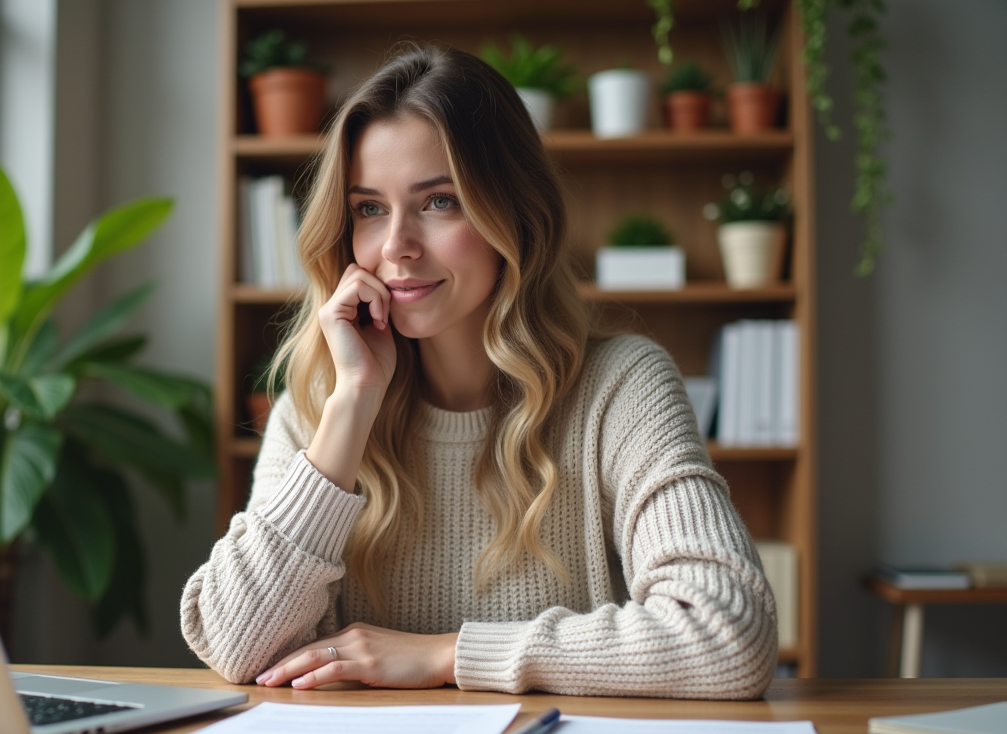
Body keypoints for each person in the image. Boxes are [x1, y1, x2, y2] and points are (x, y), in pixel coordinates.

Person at [181, 45, 778, 699]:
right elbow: (236, 646)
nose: (396, 246)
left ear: (515, 214)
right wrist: (353, 402)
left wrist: (446, 655)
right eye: (369, 209)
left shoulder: (621, 387)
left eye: (439, 202)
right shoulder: (322, 402)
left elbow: (727, 634)